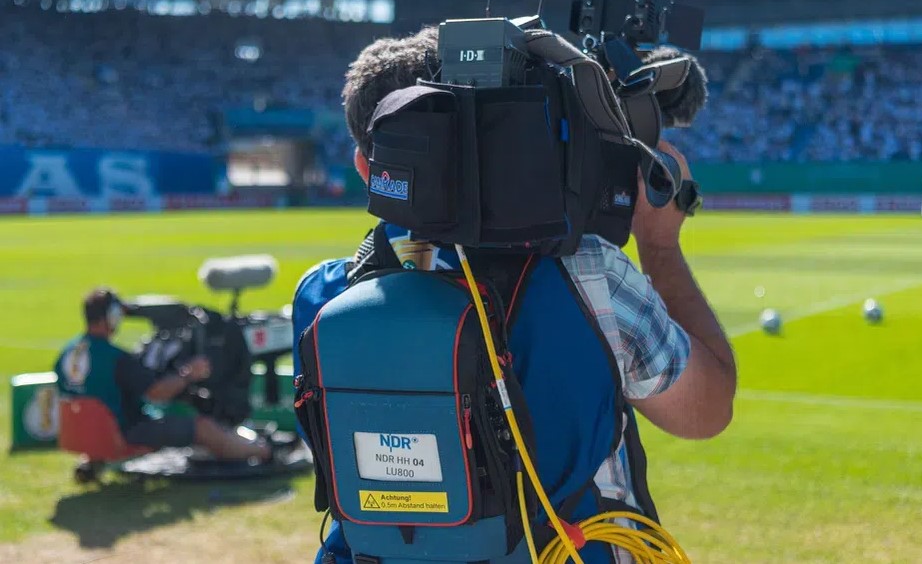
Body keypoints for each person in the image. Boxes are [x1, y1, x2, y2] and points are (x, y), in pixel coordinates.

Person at [292, 28, 736, 563]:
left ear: (368, 168)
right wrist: (659, 244)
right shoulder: (588, 272)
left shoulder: (319, 298)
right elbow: (706, 412)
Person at [55, 288, 270, 461]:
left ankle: (95, 460)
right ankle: (262, 452)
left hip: (84, 433)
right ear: (111, 317)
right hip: (122, 432)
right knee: (202, 427)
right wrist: (189, 373)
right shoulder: (115, 358)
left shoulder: (68, 352)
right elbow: (157, 393)